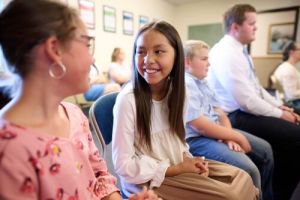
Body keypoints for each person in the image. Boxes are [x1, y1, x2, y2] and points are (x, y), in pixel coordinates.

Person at [0, 1, 160, 200]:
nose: (92, 59)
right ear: (54, 49)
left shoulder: (74, 115)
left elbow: (100, 178)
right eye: (87, 44)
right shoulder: (9, 149)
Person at [112, 20, 259, 200]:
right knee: (231, 196)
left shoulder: (179, 92)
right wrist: (177, 169)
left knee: (243, 177)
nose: (147, 60)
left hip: (177, 165)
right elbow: (123, 165)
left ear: (177, 56)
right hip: (146, 180)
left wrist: (189, 161)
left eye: (158, 51)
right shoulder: (128, 100)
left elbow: (177, 140)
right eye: (140, 51)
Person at [207, 4, 300, 200]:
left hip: (245, 111)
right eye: (252, 24)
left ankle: (279, 186)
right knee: (295, 135)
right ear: (235, 27)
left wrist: (278, 107)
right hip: (233, 116)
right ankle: (279, 193)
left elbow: (257, 89)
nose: (256, 28)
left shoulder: (240, 50)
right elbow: (247, 101)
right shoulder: (226, 52)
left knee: (291, 124)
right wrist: (281, 115)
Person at [184, 40, 273, 200]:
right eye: (204, 59)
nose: (209, 63)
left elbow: (220, 112)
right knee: (249, 169)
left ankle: (264, 196)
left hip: (216, 131)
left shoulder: (203, 82)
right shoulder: (185, 83)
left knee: (265, 149)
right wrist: (234, 137)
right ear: (187, 62)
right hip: (197, 139)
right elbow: (200, 127)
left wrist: (228, 135)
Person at [273, 41, 300, 115]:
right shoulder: (288, 70)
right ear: (291, 52)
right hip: (291, 104)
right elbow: (291, 95)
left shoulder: (288, 67)